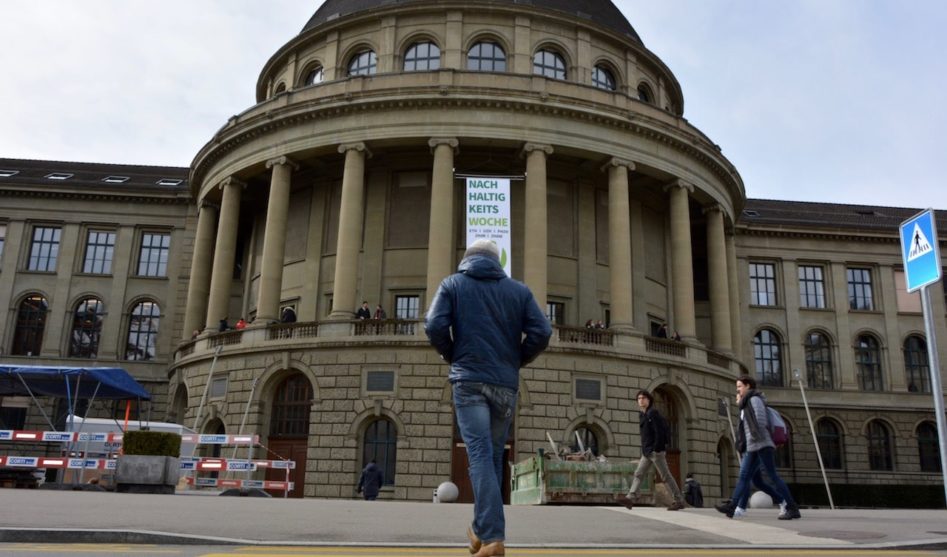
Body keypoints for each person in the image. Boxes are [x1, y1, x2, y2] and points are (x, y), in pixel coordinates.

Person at [425, 239, 551, 557]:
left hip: (468, 381)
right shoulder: (519, 291)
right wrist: (516, 360)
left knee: (480, 454)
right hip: (504, 385)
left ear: (468, 258)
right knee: (493, 457)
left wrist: (452, 353)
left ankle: (494, 537)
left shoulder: (452, 284)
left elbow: (434, 325)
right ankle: (482, 532)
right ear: (498, 262)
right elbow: (542, 331)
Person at [719, 375, 801, 520]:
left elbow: (760, 420)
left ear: (748, 386)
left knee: (773, 476)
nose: (737, 390)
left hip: (761, 444)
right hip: (754, 445)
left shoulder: (754, 399)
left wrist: (754, 439)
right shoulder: (746, 403)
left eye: (739, 386)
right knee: (745, 477)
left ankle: (792, 507)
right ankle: (733, 506)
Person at [616, 389, 686, 511]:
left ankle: (679, 500)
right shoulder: (643, 415)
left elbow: (659, 431)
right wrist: (647, 449)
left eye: (643, 398)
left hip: (655, 452)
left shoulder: (652, 413)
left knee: (665, 476)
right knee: (638, 473)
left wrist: (656, 448)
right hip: (647, 452)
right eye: (639, 398)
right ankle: (630, 498)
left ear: (649, 400)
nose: (641, 400)